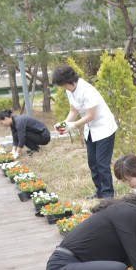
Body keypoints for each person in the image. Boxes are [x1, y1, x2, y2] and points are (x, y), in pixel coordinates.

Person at [51, 65, 117, 199]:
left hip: (104, 128)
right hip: (91, 129)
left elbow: (90, 115)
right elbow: (73, 111)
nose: (64, 88)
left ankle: (108, 195)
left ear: (70, 80)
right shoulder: (70, 90)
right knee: (92, 162)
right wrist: (64, 124)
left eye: (64, 85)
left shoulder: (87, 90)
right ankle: (99, 191)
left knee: (102, 163)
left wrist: (73, 125)